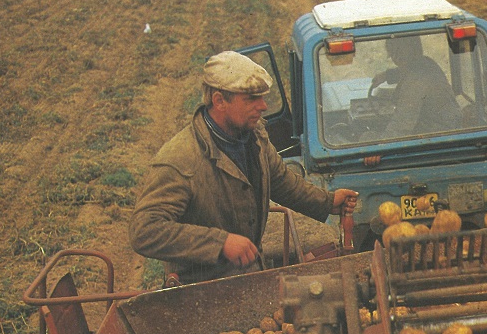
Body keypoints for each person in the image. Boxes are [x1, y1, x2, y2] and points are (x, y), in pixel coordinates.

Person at [129, 51, 357, 283]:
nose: (263, 106)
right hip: (201, 288)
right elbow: (145, 230)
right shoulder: (181, 160)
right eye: (251, 99)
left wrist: (326, 202)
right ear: (219, 101)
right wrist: (220, 243)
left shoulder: (253, 135)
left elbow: (279, 180)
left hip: (249, 273)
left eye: (262, 97)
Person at [371, 35, 463, 135]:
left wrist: (380, 143)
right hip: (443, 126)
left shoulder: (416, 82)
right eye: (393, 53)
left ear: (414, 49)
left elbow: (401, 125)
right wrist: (387, 75)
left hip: (438, 135)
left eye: (401, 51)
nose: (396, 57)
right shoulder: (425, 63)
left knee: (367, 136)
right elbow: (408, 69)